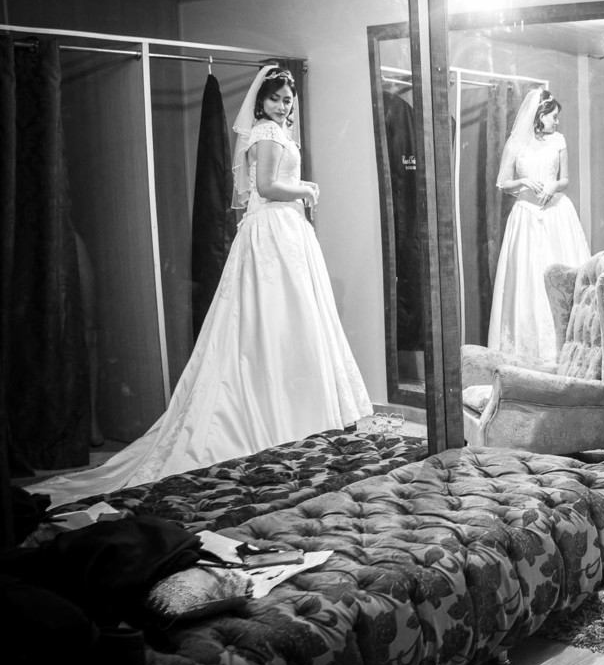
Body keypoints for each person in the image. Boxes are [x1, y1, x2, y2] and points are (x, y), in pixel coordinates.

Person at [32, 66, 372, 508]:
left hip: (281, 231)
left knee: (287, 320)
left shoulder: (276, 131)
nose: (282, 105)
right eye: (274, 98)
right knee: (279, 319)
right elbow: (266, 186)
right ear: (261, 100)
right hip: (274, 230)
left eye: (287, 99)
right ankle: (283, 412)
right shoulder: (268, 132)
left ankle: (296, 409)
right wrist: (307, 189)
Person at [486, 88, 590, 363]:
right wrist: (523, 181)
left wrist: (554, 186)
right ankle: (526, 350)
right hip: (526, 216)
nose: (557, 121)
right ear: (540, 115)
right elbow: (503, 183)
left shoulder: (559, 140)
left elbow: (565, 178)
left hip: (557, 214)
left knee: (560, 270)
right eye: (553, 116)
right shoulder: (517, 143)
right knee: (527, 278)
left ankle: (564, 347)